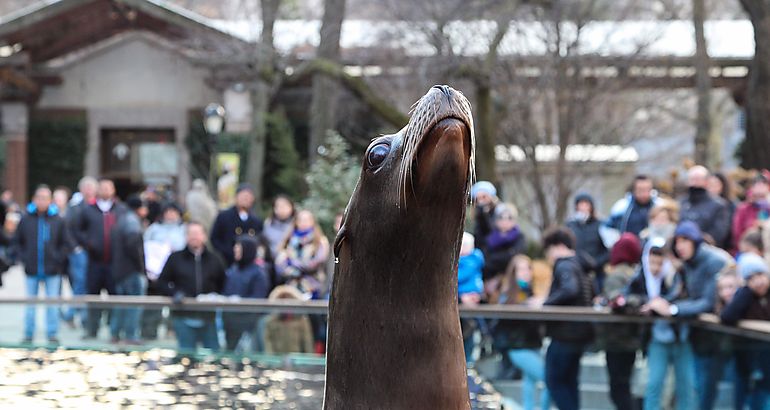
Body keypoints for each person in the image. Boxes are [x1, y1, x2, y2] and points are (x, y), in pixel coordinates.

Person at [643, 221, 730, 410]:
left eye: (685, 240)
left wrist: (672, 309)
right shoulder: (685, 266)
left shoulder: (714, 261)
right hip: (688, 334)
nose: (680, 246)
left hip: (714, 335)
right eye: (678, 241)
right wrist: (659, 303)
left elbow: (707, 302)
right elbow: (678, 292)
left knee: (697, 388)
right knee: (673, 387)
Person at [628, 237, 696, 410]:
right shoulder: (640, 277)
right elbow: (628, 296)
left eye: (660, 263)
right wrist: (647, 303)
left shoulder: (678, 275)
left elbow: (688, 299)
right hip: (657, 338)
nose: (655, 268)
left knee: (686, 386)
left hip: (680, 337)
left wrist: (665, 304)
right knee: (654, 384)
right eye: (652, 262)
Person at [541, 227, 593, 410]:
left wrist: (545, 304)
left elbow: (570, 289)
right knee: (570, 382)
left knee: (554, 381)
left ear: (559, 246)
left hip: (565, 334)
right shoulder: (581, 265)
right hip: (579, 333)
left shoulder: (565, 265)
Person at [156, 222, 226, 351]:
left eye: (197, 233)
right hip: (183, 315)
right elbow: (161, 282)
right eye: (191, 234)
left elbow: (223, 283)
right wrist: (175, 293)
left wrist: (214, 297)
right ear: (186, 237)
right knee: (186, 356)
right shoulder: (175, 258)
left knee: (213, 355)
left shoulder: (215, 259)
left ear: (204, 236)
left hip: (208, 317)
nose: (194, 237)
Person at [493, 254, 550, 410]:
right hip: (518, 347)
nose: (526, 272)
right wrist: (528, 305)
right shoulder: (508, 294)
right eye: (521, 269)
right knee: (550, 380)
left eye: (528, 268)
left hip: (534, 344)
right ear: (514, 272)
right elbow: (505, 320)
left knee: (529, 383)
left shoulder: (531, 291)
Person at [15, 185, 70, 344]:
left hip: (52, 270)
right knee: (30, 305)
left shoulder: (58, 220)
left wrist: (58, 258)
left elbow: (65, 243)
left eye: (45, 198)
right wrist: (23, 258)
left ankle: (52, 333)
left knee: (52, 304)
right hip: (31, 269)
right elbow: (18, 242)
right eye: (39, 197)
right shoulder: (26, 219)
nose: (42, 201)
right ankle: (28, 333)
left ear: (50, 200)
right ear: (34, 199)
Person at [75, 178, 126, 339]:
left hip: (114, 263)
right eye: (102, 188)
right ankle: (91, 330)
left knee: (115, 297)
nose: (105, 191)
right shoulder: (89, 210)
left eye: (108, 188)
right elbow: (77, 230)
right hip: (95, 262)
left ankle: (115, 331)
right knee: (93, 297)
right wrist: (88, 243)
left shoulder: (120, 210)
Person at [598, 233, 643, 410]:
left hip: (617, 340)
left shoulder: (617, 275)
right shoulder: (636, 273)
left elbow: (615, 300)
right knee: (623, 385)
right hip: (630, 338)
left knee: (618, 389)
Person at [721, 253, 770, 410]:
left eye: (761, 275)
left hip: (766, 360)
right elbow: (727, 316)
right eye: (752, 278)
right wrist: (747, 291)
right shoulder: (744, 296)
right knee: (741, 394)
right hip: (745, 358)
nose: (759, 281)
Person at [141, 202, 186, 340]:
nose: (171, 215)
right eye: (168, 211)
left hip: (178, 272)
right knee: (153, 303)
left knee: (176, 302)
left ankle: (172, 330)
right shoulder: (154, 229)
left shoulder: (184, 229)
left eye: (174, 212)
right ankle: (149, 332)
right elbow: (145, 247)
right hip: (154, 272)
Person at [222, 235, 271, 351]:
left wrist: (239, 301)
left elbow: (258, 299)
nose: (235, 250)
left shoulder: (259, 273)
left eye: (239, 248)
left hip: (249, 324)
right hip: (231, 322)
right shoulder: (232, 270)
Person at [109, 195, 146, 344]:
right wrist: (141, 267)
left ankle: (115, 333)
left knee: (120, 303)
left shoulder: (121, 219)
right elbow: (133, 247)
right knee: (134, 304)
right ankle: (131, 335)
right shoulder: (132, 222)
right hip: (130, 270)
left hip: (118, 269)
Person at [61, 176, 97, 327]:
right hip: (79, 251)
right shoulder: (75, 207)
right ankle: (80, 317)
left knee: (91, 285)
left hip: (96, 252)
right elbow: (67, 229)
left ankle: (79, 315)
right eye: (86, 187)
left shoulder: (99, 206)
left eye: (91, 187)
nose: (88, 190)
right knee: (80, 284)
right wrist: (75, 248)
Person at [275, 209, 330, 297]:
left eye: (307, 220)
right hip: (291, 285)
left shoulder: (320, 241)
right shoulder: (289, 240)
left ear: (313, 222)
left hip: (313, 285)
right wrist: (292, 272)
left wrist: (293, 262)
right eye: (300, 220)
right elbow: (280, 264)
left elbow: (316, 263)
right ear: (296, 222)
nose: (303, 222)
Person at [481, 203, 526, 301]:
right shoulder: (490, 238)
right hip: (489, 281)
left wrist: (499, 278)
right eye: (501, 217)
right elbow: (485, 261)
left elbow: (516, 257)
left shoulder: (519, 237)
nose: (505, 221)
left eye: (509, 218)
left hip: (512, 282)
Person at [210, 183, 263, 266]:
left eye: (248, 196)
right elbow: (214, 238)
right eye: (242, 196)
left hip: (250, 263)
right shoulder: (223, 217)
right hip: (226, 260)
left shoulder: (256, 220)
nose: (245, 199)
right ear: (236, 197)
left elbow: (259, 240)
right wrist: (226, 252)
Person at [679, 165, 731, 249]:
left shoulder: (719, 205)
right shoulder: (681, 203)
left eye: (698, 179)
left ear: (706, 181)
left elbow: (718, 233)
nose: (694, 183)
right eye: (692, 179)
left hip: (708, 250)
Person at [567, 193, 609, 292]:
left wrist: (596, 263)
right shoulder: (570, 226)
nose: (583, 207)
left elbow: (608, 250)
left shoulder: (601, 225)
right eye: (580, 204)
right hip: (576, 271)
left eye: (586, 204)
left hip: (596, 273)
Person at [263, 285, 315, 354]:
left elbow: (307, 344)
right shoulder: (271, 322)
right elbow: (268, 346)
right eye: (282, 301)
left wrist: (308, 361)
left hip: (298, 360)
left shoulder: (302, 321)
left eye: (289, 301)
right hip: (278, 361)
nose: (285, 304)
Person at [457, 232, 484, 364]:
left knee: (470, 330)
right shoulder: (466, 261)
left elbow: (458, 277)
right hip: (462, 298)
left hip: (470, 297)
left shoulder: (470, 261)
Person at [732, 172, 770, 251]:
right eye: (757, 184)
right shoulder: (744, 208)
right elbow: (737, 233)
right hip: (748, 250)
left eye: (764, 184)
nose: (760, 187)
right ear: (752, 187)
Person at [708, 172, 737, 250]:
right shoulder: (704, 205)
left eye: (715, 185)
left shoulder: (731, 205)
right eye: (710, 185)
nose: (712, 188)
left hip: (726, 246)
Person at [470, 181, 499, 254]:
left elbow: (491, 231)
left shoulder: (499, 211)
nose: (481, 201)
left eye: (484, 197)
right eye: (478, 198)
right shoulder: (474, 213)